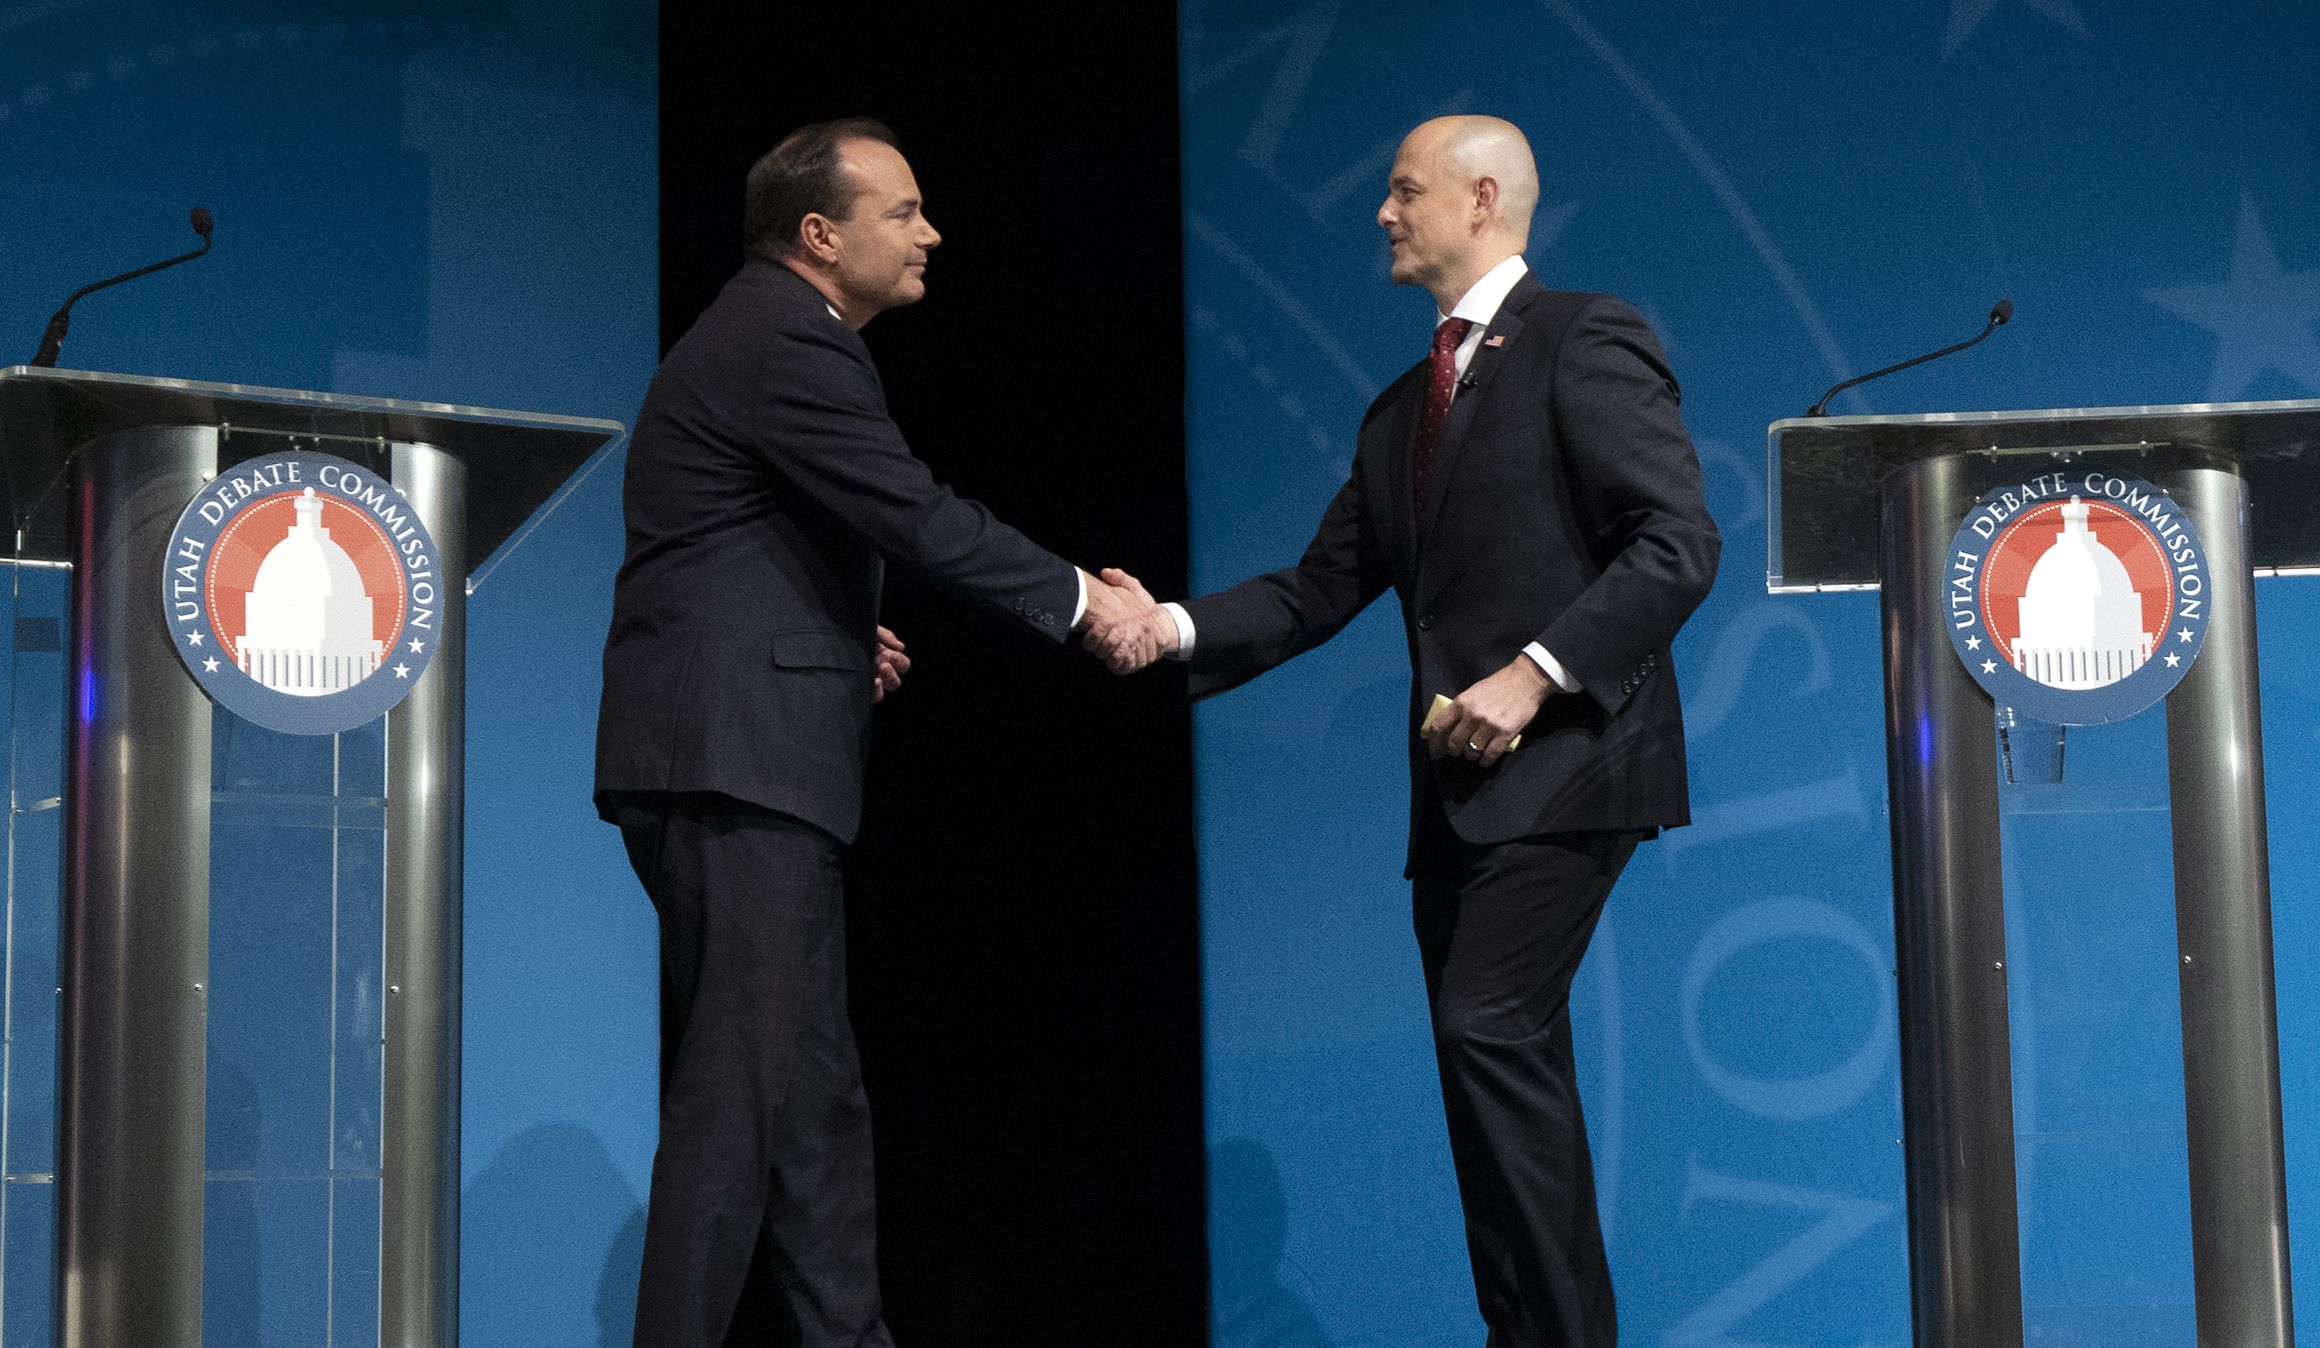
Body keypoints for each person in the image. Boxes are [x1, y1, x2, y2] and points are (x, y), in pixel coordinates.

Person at [1094, 115, 1720, 1346]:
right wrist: (1163, 625)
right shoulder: (1400, 412)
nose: (1381, 214)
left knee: (1484, 1026)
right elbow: (1313, 589)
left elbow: (1677, 543)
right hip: (1457, 795)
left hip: (1568, 760)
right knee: (1485, 1075)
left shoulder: (1581, 338)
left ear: (1482, 198)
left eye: (1402, 191)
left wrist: (1534, 675)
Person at [595, 116, 1151, 1348]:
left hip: (748, 757)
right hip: (733, 766)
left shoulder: (768, 338)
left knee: (814, 1112)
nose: (930, 232)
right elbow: (913, 513)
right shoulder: (788, 338)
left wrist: (851, 639)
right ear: (818, 232)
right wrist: (1081, 602)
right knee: (736, 1110)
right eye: (902, 211)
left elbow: (736, 544)